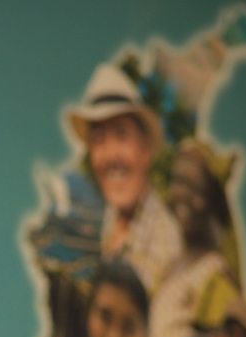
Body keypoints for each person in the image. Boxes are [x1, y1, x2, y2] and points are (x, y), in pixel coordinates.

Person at [68, 63, 182, 295]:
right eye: (99, 139)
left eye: (122, 135)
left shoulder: (165, 243)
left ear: (146, 150)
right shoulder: (110, 220)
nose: (111, 155)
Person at [144, 138, 240, 337]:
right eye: (179, 182)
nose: (183, 195)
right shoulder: (169, 268)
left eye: (196, 190)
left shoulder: (215, 278)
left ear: (212, 203)